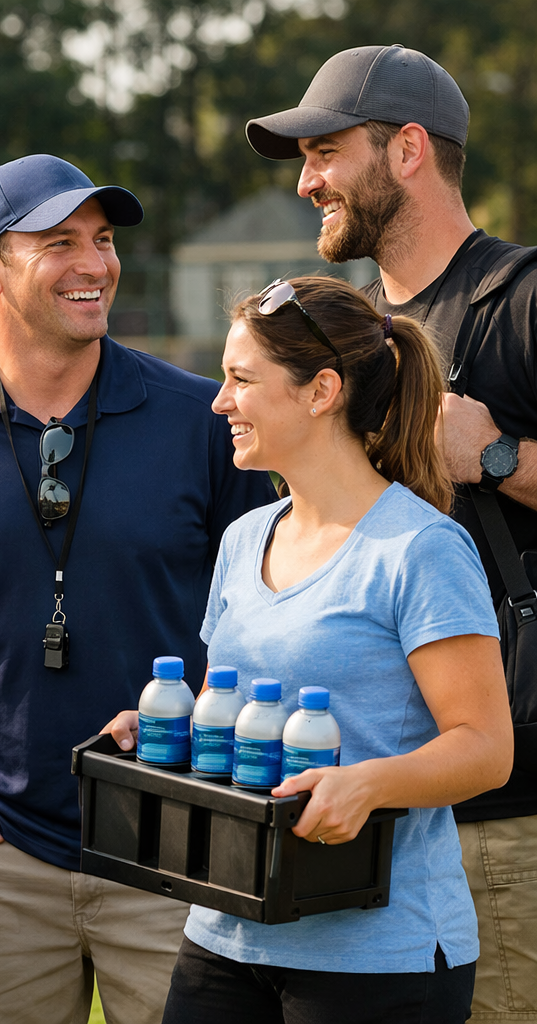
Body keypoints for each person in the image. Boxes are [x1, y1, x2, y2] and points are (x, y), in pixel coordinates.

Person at [0, 154, 276, 1024]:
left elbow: (261, 612)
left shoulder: (201, 418)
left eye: (101, 240)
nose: (95, 263)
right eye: (59, 243)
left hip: (179, 842)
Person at [104, 275, 514, 1022]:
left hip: (376, 957)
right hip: (226, 929)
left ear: (321, 391)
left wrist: (367, 784)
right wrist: (163, 723)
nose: (219, 401)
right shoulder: (244, 538)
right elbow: (233, 699)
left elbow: (485, 748)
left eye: (241, 380)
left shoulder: (420, 549)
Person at [245, 45, 537, 1021]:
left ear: (406, 148)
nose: (306, 181)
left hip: (504, 819)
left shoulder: (523, 299)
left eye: (325, 152)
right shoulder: (356, 338)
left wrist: (498, 456)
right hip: (366, 818)